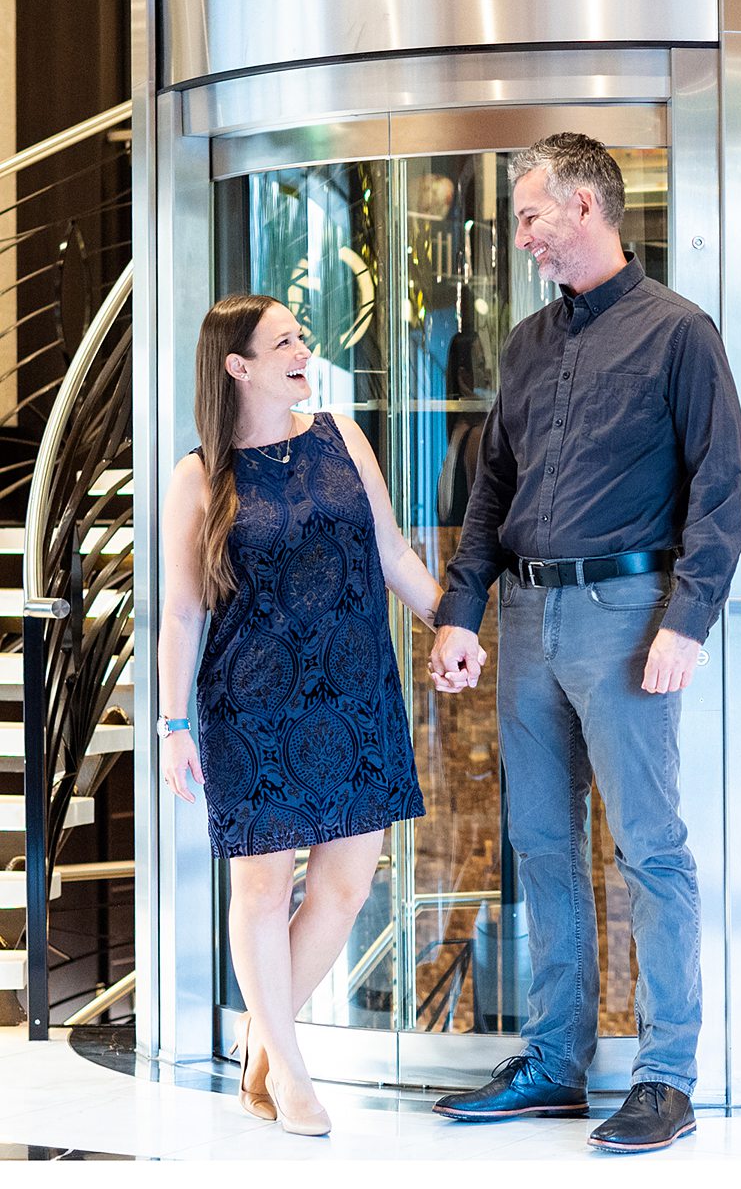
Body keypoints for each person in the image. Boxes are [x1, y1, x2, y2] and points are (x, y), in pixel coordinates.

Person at [428, 133, 741, 1154]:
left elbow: (722, 486)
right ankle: (556, 1062)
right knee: (541, 844)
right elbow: (490, 495)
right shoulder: (524, 345)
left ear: (584, 208)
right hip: (525, 618)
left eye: (530, 216)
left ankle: (666, 1076)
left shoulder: (679, 333)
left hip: (627, 616)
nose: (521, 236)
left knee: (651, 848)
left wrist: (685, 618)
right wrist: (458, 612)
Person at [158, 294, 480, 1137]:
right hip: (250, 707)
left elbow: (392, 554)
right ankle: (291, 1075)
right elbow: (182, 614)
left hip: (356, 693)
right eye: (286, 342)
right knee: (262, 889)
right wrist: (170, 726)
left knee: (341, 889)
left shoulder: (342, 437)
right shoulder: (198, 475)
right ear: (239, 367)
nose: (306, 349)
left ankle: (265, 1049)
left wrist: (451, 623)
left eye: (303, 335)